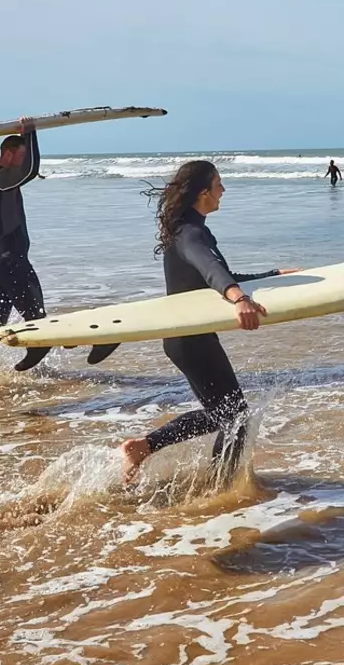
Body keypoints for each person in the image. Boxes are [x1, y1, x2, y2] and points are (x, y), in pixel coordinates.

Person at [120, 162, 287, 481]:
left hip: (188, 336)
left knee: (222, 415)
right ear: (203, 193)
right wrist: (239, 299)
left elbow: (216, 275)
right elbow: (211, 268)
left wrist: (274, 275)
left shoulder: (188, 229)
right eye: (219, 184)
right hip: (189, 338)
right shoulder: (190, 233)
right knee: (235, 417)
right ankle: (220, 488)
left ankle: (143, 448)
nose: (223, 190)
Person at [0, 120, 56, 372]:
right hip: (11, 263)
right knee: (38, 322)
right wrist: (31, 133)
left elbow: (27, 172)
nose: (24, 161)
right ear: (8, 154)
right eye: (21, 155)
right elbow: (31, 170)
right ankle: (37, 350)